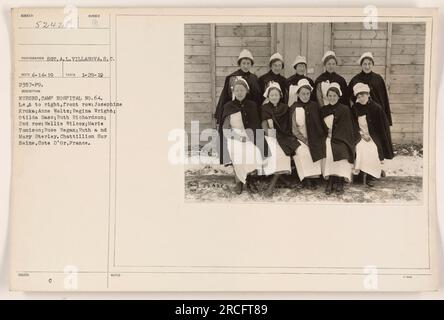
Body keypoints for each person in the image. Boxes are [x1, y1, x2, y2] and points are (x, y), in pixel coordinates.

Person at [218, 77, 266, 194]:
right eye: (237, 90)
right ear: (233, 92)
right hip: (234, 135)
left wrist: (253, 137)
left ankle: (248, 179)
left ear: (246, 91)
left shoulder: (252, 105)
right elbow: (225, 129)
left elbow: (256, 124)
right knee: (237, 152)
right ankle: (239, 181)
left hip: (250, 134)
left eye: (242, 90)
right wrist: (239, 138)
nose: (240, 93)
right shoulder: (229, 106)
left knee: (253, 151)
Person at [351, 83, 395, 187]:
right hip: (359, 136)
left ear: (368, 95)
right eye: (358, 96)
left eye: (363, 95)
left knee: (372, 148)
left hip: (373, 137)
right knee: (360, 147)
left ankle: (371, 174)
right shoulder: (355, 108)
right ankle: (360, 173)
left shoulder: (376, 108)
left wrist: (373, 138)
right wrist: (361, 135)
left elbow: (381, 128)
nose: (361, 98)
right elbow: (353, 125)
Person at [261, 82, 300, 196]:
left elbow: (288, 124)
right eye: (272, 95)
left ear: (280, 96)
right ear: (268, 96)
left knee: (284, 154)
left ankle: (274, 182)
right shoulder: (265, 108)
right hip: (270, 135)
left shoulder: (285, 108)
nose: (274, 97)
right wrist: (272, 135)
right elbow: (264, 124)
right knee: (273, 153)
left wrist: (284, 135)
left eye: (276, 95)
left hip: (284, 135)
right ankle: (279, 181)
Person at [289, 79, 326, 189]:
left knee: (317, 149)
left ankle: (315, 177)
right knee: (303, 152)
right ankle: (306, 179)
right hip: (299, 138)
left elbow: (319, 124)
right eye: (303, 94)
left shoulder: (314, 106)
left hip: (314, 137)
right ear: (298, 94)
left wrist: (315, 139)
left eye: (307, 93)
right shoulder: (294, 107)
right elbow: (294, 129)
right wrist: (305, 140)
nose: (305, 96)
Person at [320, 82, 355, 195]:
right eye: (330, 96)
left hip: (342, 138)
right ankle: (330, 179)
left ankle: (340, 179)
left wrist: (336, 135)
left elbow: (347, 128)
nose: (332, 98)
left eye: (334, 96)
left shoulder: (344, 109)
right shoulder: (323, 109)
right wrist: (327, 133)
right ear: (327, 96)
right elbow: (321, 126)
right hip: (328, 137)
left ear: (339, 96)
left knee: (341, 150)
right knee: (328, 150)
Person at [214, 49, 263, 123]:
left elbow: (258, 97)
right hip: (236, 111)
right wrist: (220, 115)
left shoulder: (254, 78)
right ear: (240, 64)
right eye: (243, 63)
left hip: (251, 112)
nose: (246, 66)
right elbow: (225, 96)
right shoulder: (232, 77)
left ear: (251, 64)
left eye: (248, 63)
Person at [348, 52, 393, 125]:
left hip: (376, 115)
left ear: (372, 64)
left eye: (369, 64)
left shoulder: (378, 79)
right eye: (365, 64)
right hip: (361, 116)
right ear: (361, 65)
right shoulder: (355, 80)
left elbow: (384, 100)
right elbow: (349, 98)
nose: (367, 66)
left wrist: (386, 120)